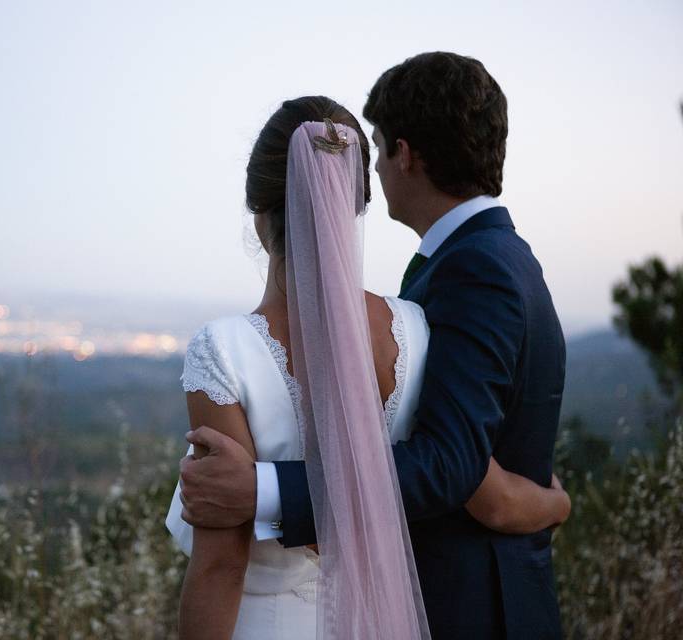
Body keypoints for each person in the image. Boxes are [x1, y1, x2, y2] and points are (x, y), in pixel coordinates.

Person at [171, 84, 569, 638]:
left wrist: (260, 491)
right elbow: (468, 478)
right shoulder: (413, 329)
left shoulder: (222, 351)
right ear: (352, 207)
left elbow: (220, 564)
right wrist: (553, 503)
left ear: (261, 216)